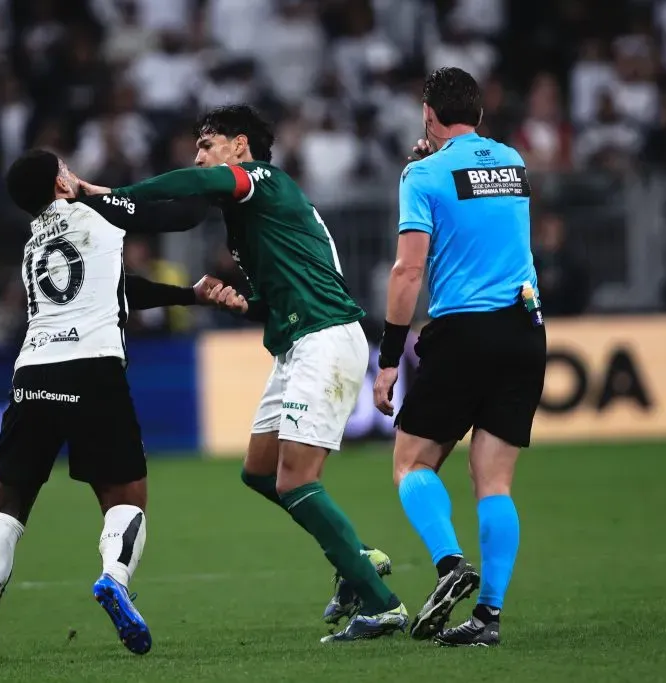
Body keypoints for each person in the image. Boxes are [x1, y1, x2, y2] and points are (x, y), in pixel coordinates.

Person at [81, 105, 405, 643]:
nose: (200, 155)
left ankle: (382, 603)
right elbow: (280, 292)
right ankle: (358, 559)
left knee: (296, 479)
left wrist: (110, 195)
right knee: (259, 471)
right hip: (296, 340)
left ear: (240, 145)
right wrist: (243, 305)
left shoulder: (261, 180)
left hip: (323, 338)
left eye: (208, 144)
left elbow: (195, 181)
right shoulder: (251, 214)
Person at [0, 149, 243, 664]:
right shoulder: (100, 210)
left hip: (33, 372)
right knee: (126, 497)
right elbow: (177, 216)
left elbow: (117, 289)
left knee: (7, 505)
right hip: (93, 369)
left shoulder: (33, 243)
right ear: (62, 181)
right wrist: (218, 181)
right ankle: (114, 579)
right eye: (64, 167)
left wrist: (186, 296)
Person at [373, 67, 547, 647]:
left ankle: (451, 566)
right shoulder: (514, 162)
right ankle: (488, 618)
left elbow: (408, 270)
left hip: (464, 332)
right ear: (479, 112)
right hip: (525, 329)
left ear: (427, 112)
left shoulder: (421, 175)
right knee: (494, 484)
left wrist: (391, 357)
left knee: (411, 464)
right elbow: (478, 181)